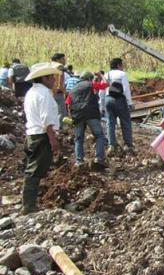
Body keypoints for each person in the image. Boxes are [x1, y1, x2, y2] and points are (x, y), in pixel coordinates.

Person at [21, 62, 61, 214]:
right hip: (41, 135)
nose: (54, 81)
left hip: (32, 133)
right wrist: (52, 139)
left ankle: (28, 203)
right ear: (45, 78)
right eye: (52, 78)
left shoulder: (31, 92)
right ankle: (29, 206)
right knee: (35, 171)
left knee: (32, 169)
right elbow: (46, 120)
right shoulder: (44, 94)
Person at [69, 71, 106, 169]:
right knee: (99, 136)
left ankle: (79, 161)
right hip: (91, 113)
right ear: (89, 78)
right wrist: (101, 75)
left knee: (78, 139)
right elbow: (105, 85)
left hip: (77, 115)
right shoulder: (91, 85)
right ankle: (99, 158)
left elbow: (68, 103)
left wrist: (71, 117)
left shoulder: (73, 89)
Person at [105, 58, 134, 154]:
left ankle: (111, 145)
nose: (122, 67)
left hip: (108, 99)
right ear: (118, 65)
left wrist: (101, 105)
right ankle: (128, 144)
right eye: (122, 65)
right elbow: (126, 89)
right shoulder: (122, 74)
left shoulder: (106, 74)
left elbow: (102, 90)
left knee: (110, 123)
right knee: (125, 122)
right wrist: (130, 103)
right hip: (119, 100)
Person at [50, 53, 69, 124]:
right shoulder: (60, 66)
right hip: (57, 93)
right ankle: (60, 129)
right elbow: (60, 82)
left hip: (49, 92)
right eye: (63, 59)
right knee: (61, 113)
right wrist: (65, 91)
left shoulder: (49, 66)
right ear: (58, 60)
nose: (65, 61)